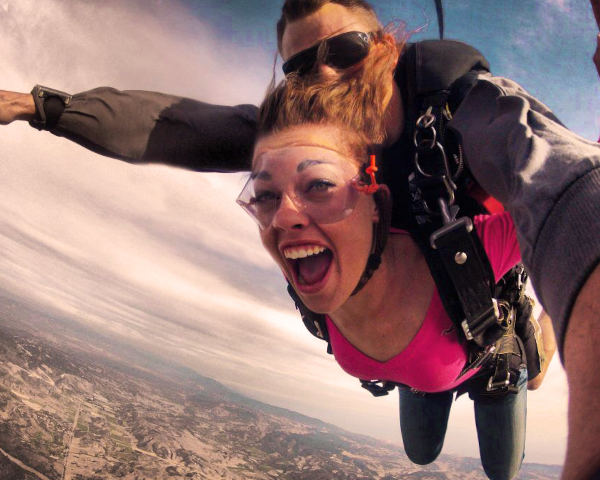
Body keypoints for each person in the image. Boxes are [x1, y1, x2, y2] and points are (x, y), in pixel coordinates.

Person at [0, 1, 598, 477]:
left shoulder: (469, 111)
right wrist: (44, 106)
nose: (326, 75)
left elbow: (565, 182)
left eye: (344, 50)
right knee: (420, 449)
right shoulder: (304, 136)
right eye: (302, 66)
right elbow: (182, 127)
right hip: (424, 348)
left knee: (502, 466)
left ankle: (527, 331)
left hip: (481, 340)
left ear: (388, 47)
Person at [240, 44, 551, 479]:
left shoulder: (465, 253)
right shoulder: (310, 272)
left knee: (503, 470)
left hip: (489, 360)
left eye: (319, 187)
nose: (286, 217)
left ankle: (539, 323)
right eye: (267, 195)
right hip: (430, 369)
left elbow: (570, 191)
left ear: (371, 198)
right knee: (421, 453)